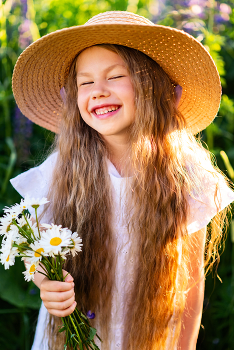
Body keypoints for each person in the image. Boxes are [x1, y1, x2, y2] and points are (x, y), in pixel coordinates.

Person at [10, 11, 234, 350]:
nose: (98, 91)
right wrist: (45, 281)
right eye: (85, 83)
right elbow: (35, 246)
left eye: (115, 76)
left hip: (148, 336)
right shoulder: (61, 170)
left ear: (152, 86)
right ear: (73, 99)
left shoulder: (187, 176)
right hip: (68, 338)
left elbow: (189, 287)